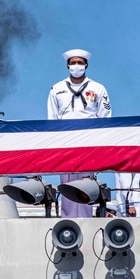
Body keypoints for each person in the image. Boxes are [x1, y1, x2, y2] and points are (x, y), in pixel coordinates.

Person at [47, 48, 110, 218]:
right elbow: (52, 119)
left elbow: (106, 118)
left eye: (80, 62)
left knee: (85, 185)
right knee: (67, 184)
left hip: (88, 143)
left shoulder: (98, 88)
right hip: (65, 143)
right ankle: (67, 221)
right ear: (67, 66)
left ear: (86, 65)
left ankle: (85, 219)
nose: (76, 65)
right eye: (73, 62)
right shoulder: (57, 88)